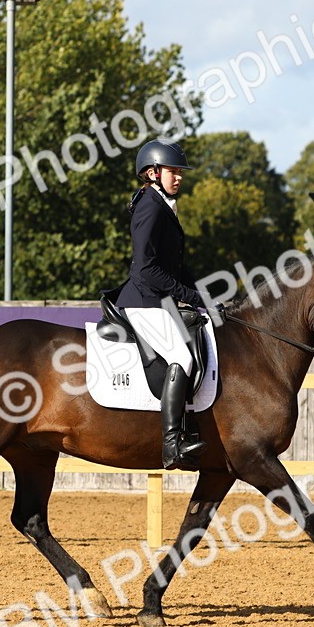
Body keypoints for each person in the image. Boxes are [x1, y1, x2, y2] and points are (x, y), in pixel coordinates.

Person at [115, 137, 210, 471]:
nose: (180, 177)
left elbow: (176, 267)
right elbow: (147, 268)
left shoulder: (162, 205)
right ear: (153, 172)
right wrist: (192, 297)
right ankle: (172, 444)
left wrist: (207, 295)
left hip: (159, 299)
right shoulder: (150, 206)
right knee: (182, 356)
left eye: (180, 171)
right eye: (174, 171)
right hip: (144, 300)